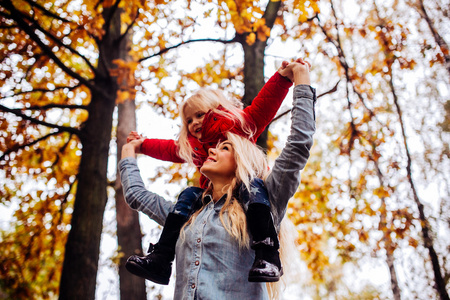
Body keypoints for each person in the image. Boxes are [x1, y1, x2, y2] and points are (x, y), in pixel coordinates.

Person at [119, 58, 316, 299]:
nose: (210, 150)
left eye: (224, 148)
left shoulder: (262, 198)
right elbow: (137, 194)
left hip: (252, 193)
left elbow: (296, 142)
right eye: (188, 121)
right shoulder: (189, 216)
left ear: (241, 155)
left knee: (252, 188)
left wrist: (294, 78)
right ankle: (161, 258)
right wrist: (132, 151)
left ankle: (267, 252)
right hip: (200, 204)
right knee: (188, 194)